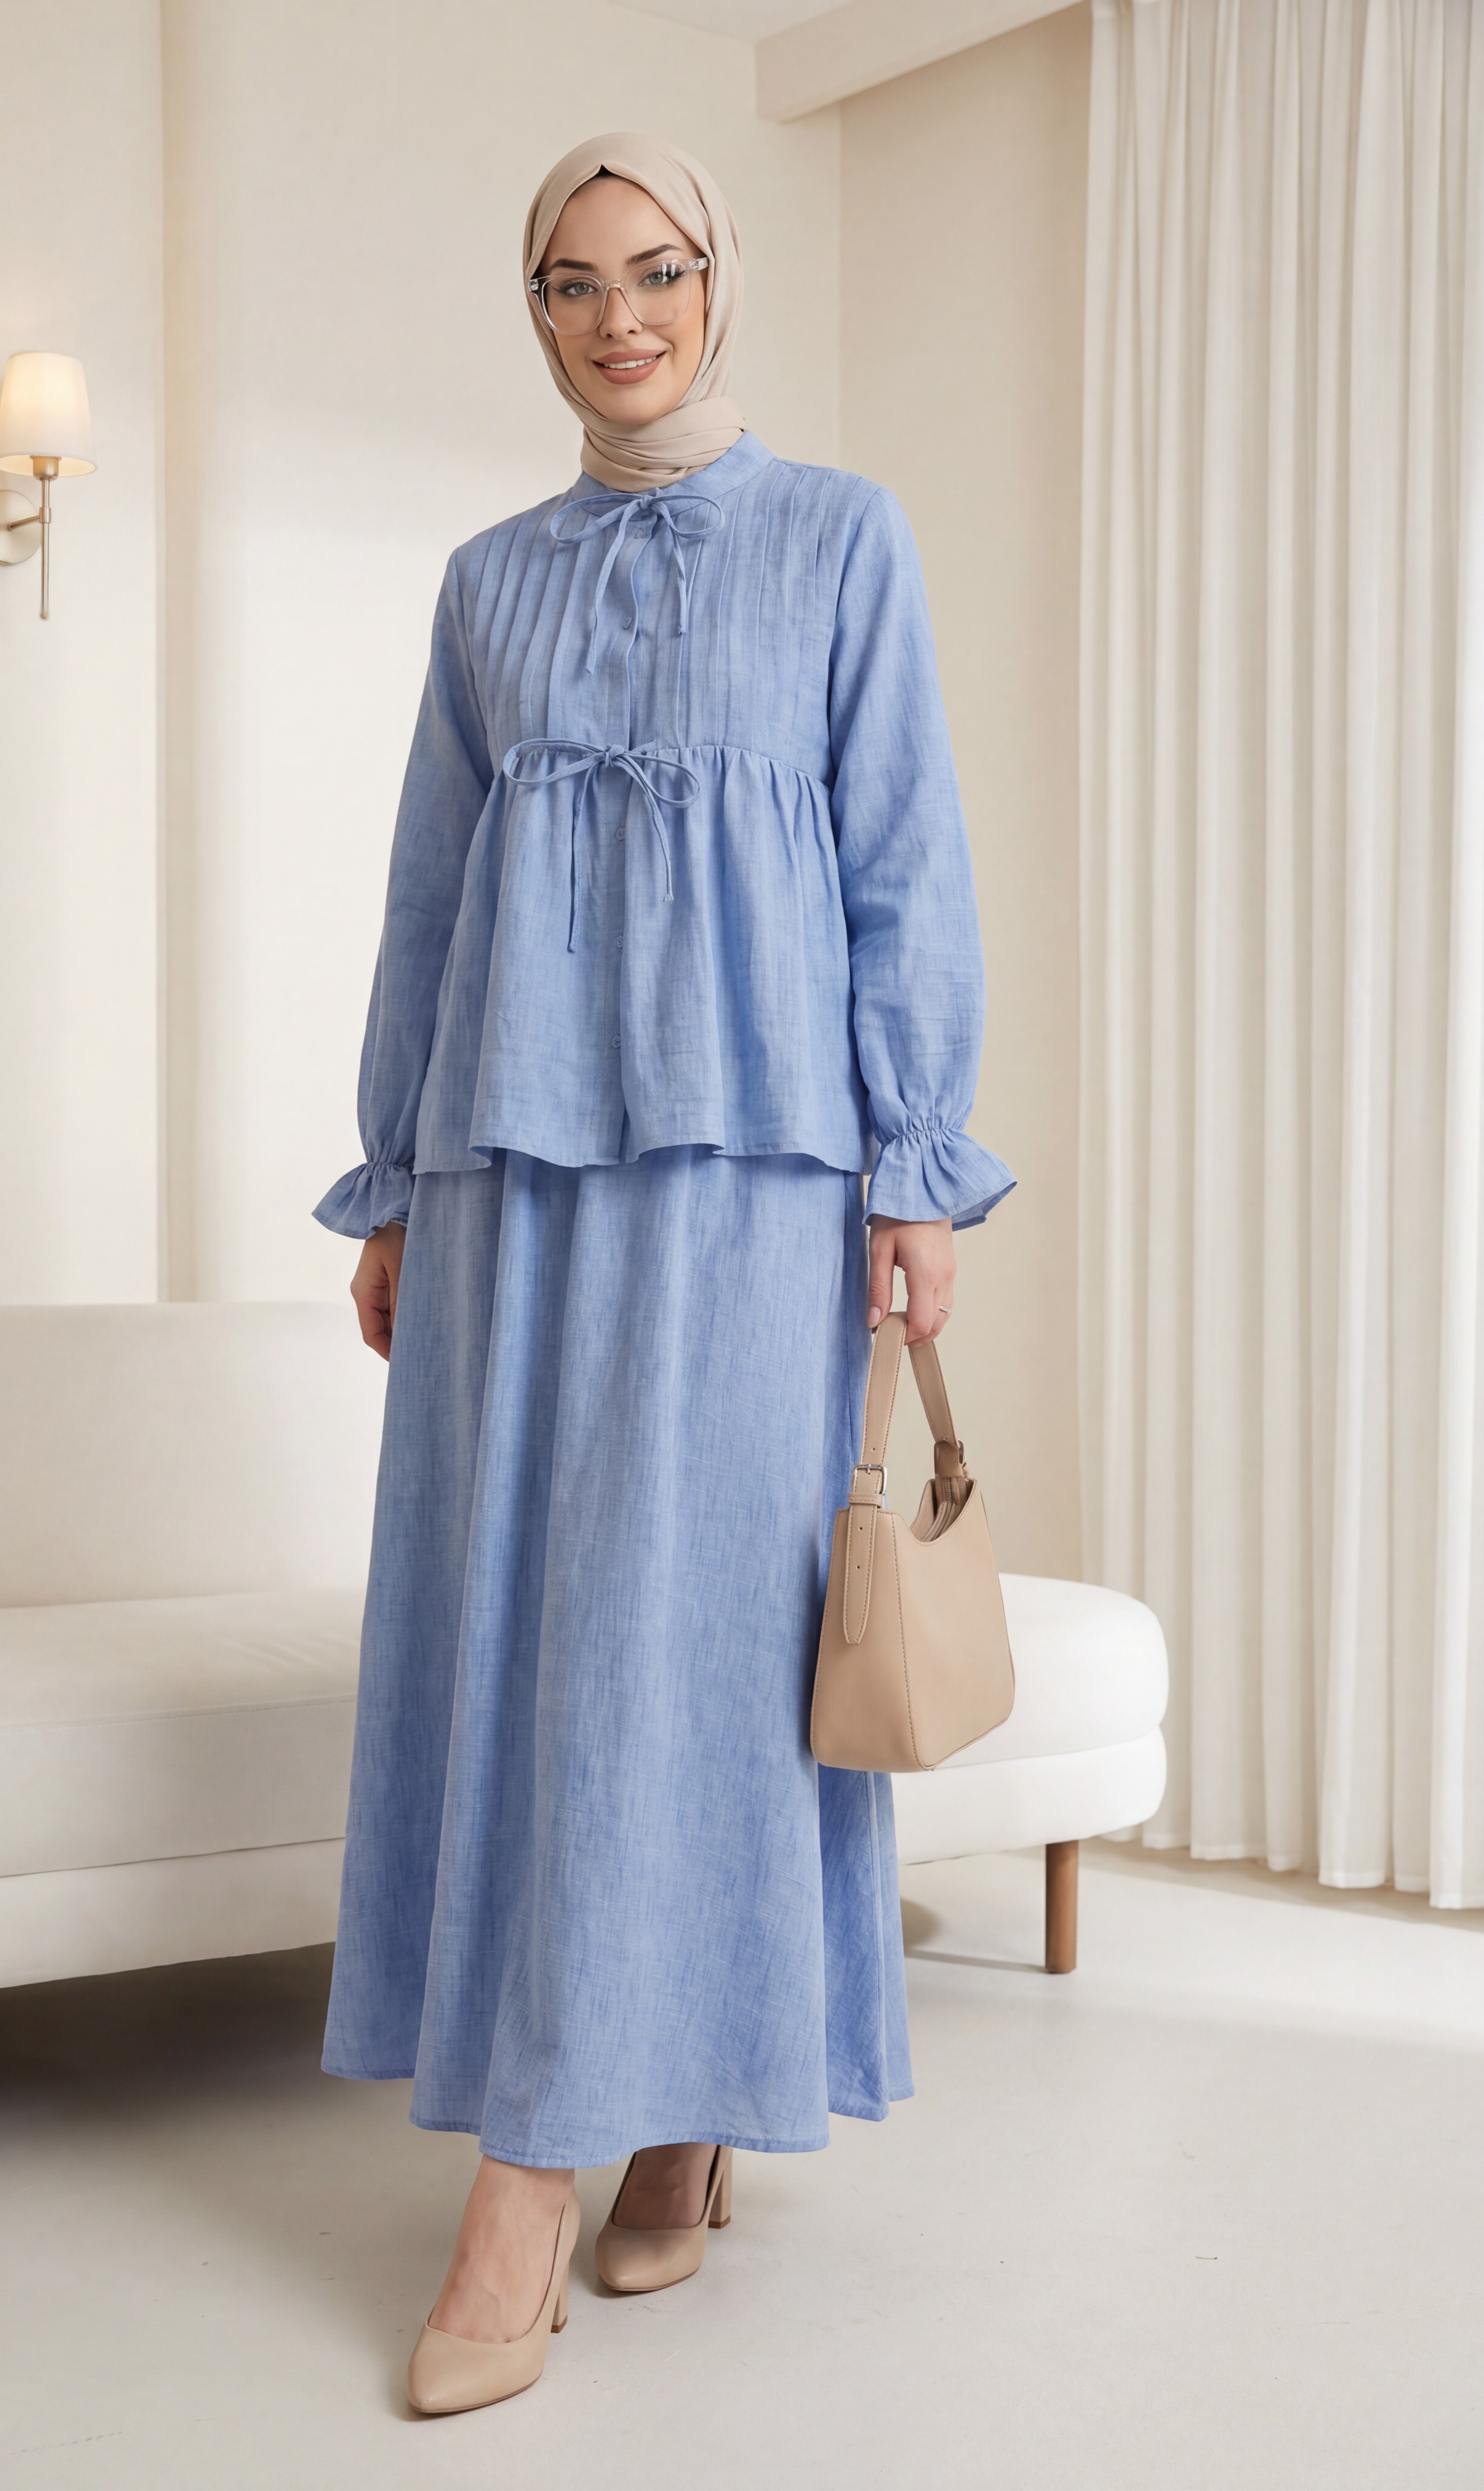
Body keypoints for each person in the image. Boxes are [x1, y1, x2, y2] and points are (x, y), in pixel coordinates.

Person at [312, 132, 1014, 2417]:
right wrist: (394, 1180)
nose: (615, 317)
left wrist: (912, 1171)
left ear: (717, 281)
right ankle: (637, 2125)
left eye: (653, 270)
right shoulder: (485, 584)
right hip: (510, 1169)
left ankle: (542, 2170)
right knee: (525, 1630)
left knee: (695, 1638)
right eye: (568, 283)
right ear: (531, 314)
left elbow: (901, 856)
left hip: (756, 1180)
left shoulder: (841, 537)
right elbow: (429, 898)